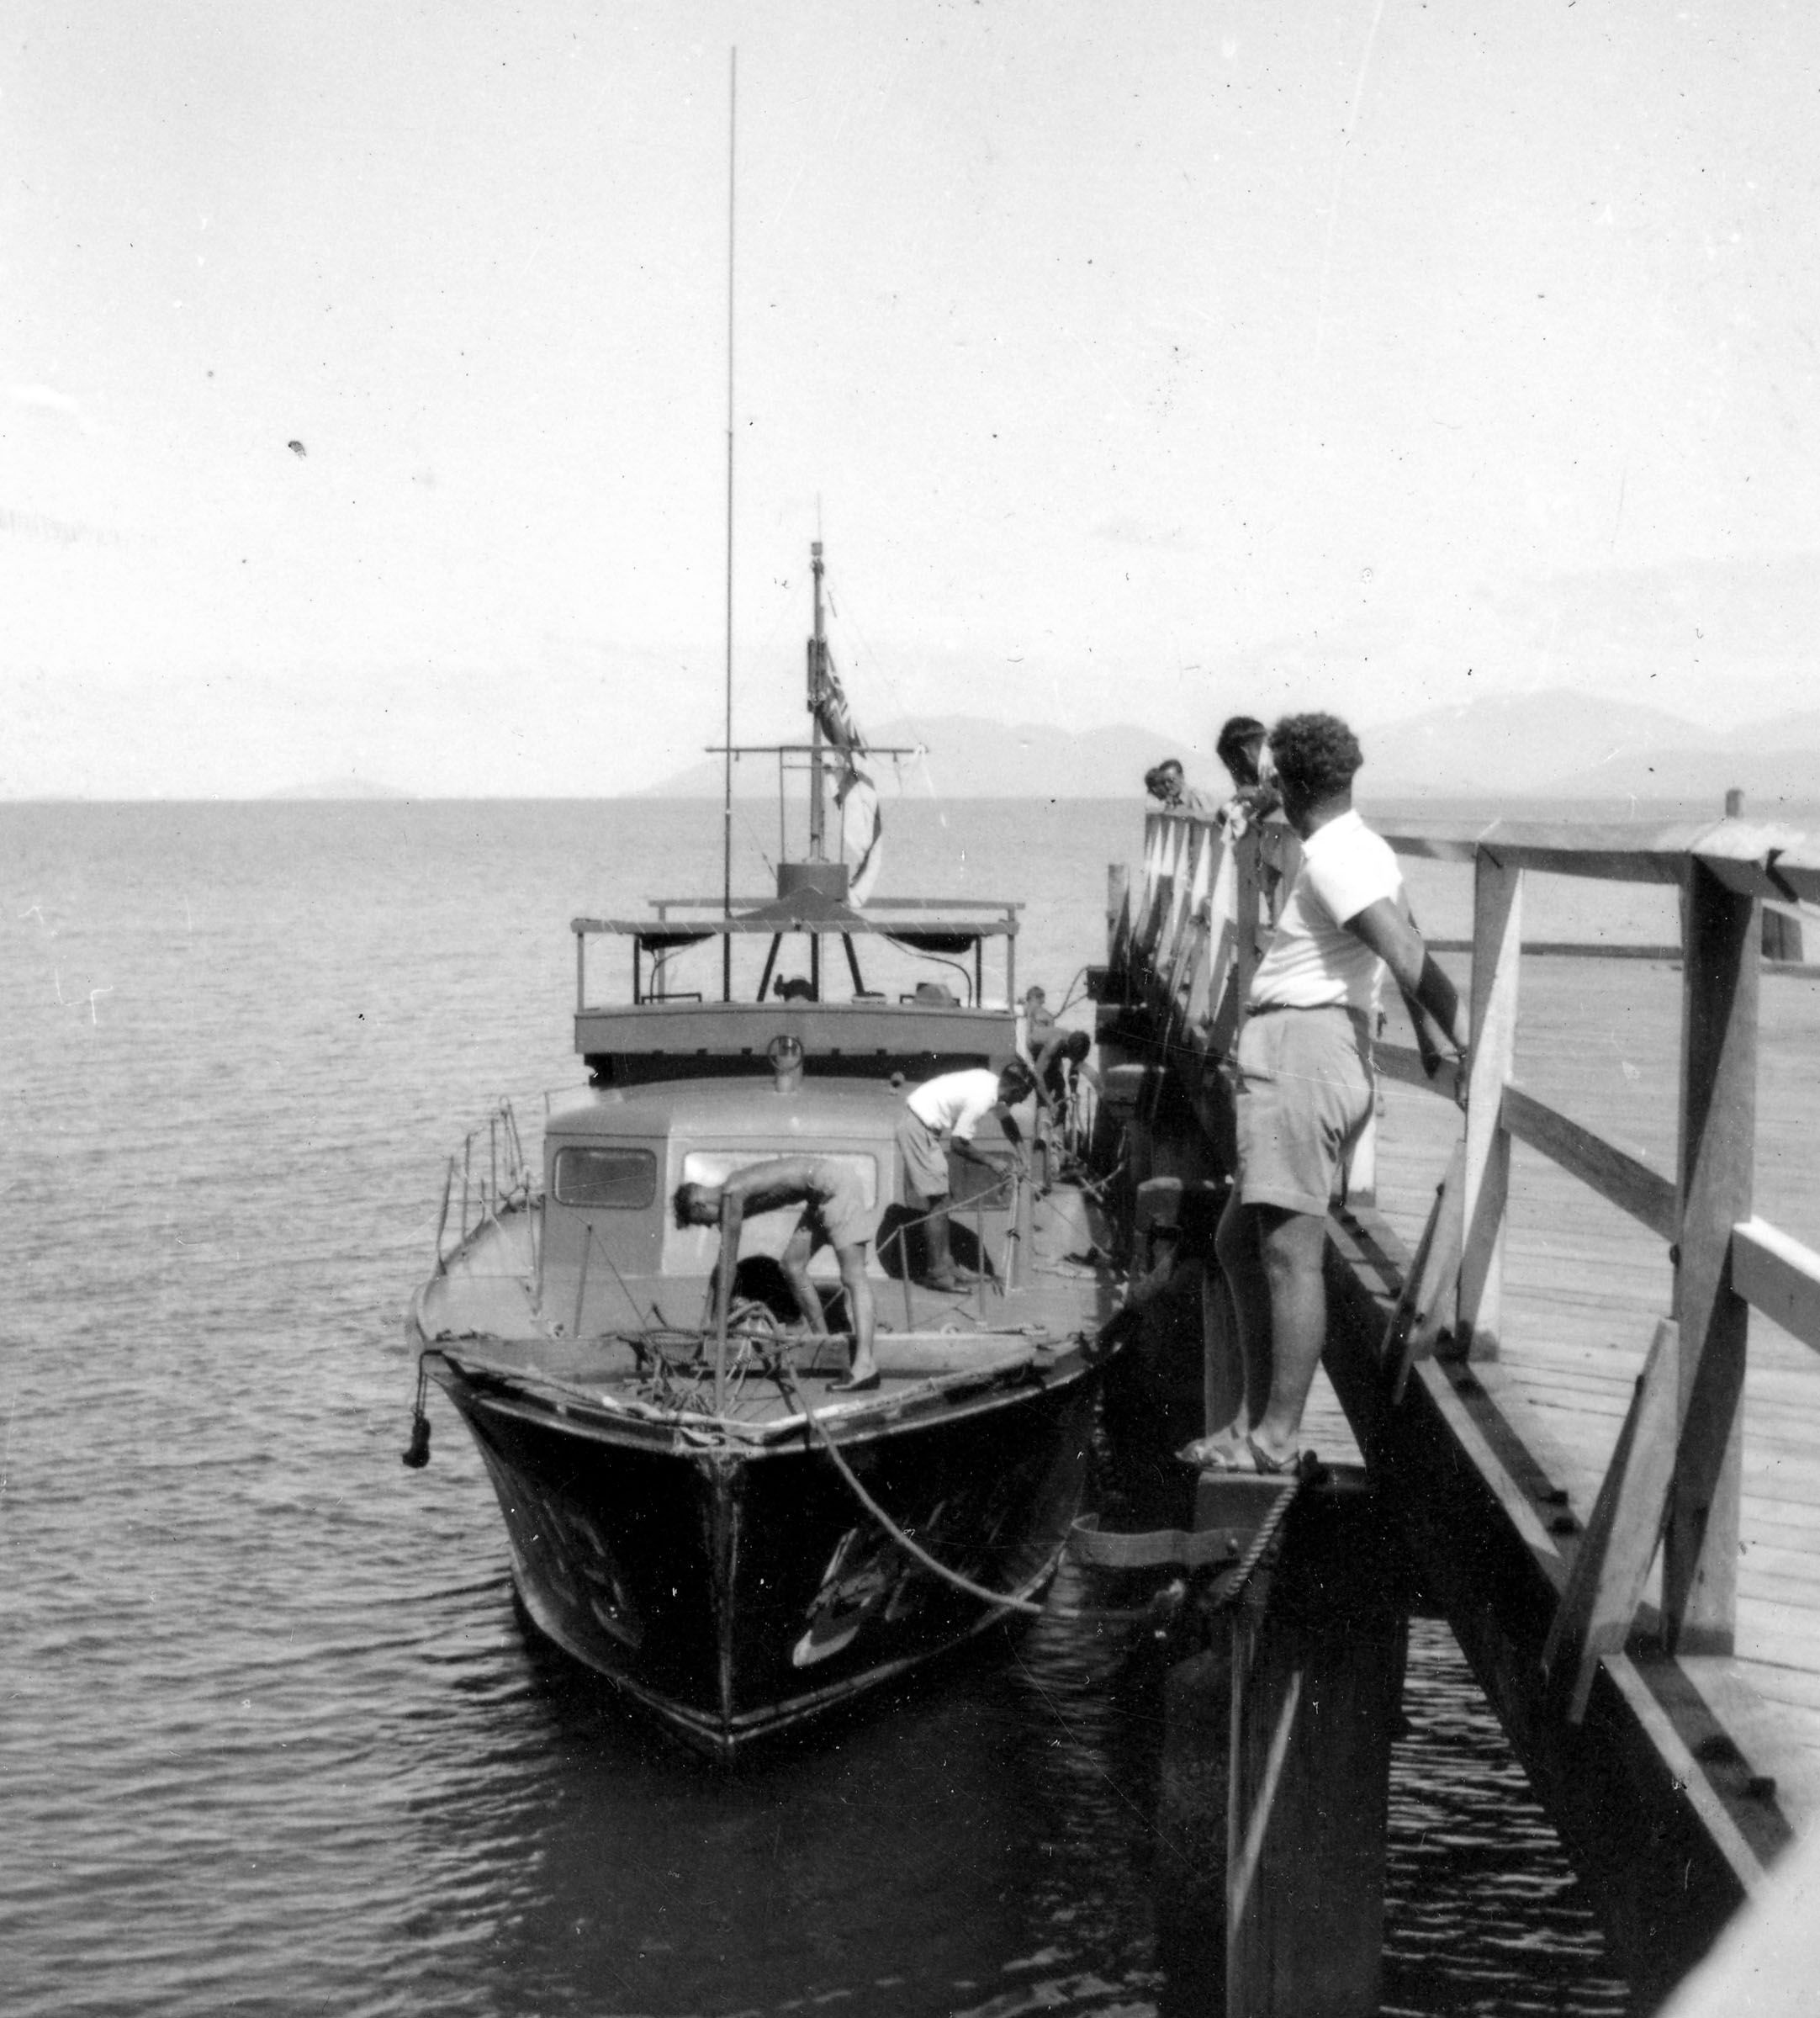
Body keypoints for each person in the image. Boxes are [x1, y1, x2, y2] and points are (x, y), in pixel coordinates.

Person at [1194, 711, 1469, 1473]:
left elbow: (1406, 950)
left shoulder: (1330, 863)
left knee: (1288, 1257)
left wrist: (1466, 1041)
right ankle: (1256, 1423)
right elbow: (1409, 942)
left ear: (1289, 780)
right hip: (1314, 1052)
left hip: (1301, 1055)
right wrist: (1429, 1038)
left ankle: (1276, 1436)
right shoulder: (1360, 847)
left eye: (1272, 773)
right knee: (1236, 1242)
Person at [673, 1154, 881, 1391]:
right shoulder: (730, 1191)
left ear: (698, 1206)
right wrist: (706, 1318)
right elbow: (722, 1265)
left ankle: (865, 1366)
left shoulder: (731, 1195)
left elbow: (728, 1266)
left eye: (702, 1222)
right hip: (819, 1193)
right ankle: (822, 1342)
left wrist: (717, 1324)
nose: (710, 1226)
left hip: (835, 1187)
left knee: (853, 1277)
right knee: (792, 1267)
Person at [895, 1060, 1034, 1290]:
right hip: (917, 1128)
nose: (1019, 1102)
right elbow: (958, 1144)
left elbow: (1006, 1119)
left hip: (923, 1126)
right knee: (939, 1202)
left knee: (943, 1199)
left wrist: (1022, 1153)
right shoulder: (982, 1098)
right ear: (1014, 1089)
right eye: (1021, 1096)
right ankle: (937, 1274)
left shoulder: (994, 1085)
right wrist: (993, 1162)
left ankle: (947, 1265)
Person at [1145, 757, 1218, 814]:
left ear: (1182, 777)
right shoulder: (1171, 799)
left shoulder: (1195, 797)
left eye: (1171, 781)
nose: (1167, 785)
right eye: (1163, 782)